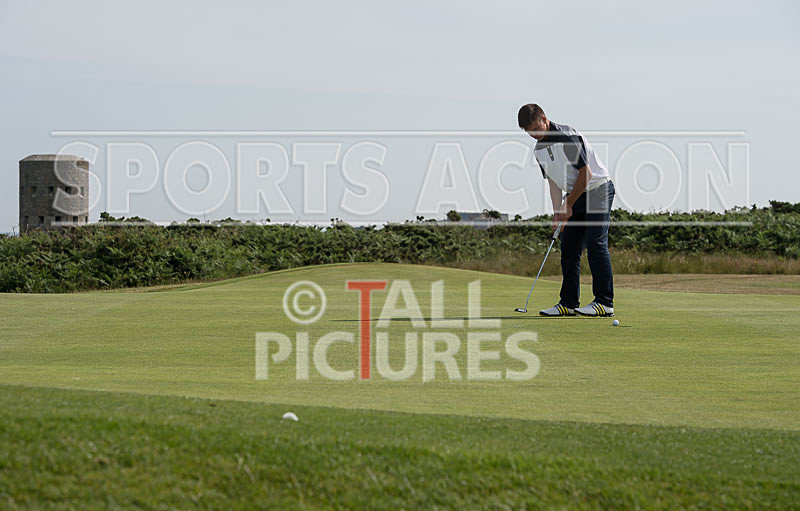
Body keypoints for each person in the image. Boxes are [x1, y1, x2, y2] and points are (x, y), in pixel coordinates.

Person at [518, 103, 616, 317]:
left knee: (595, 243)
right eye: (529, 132)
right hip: (575, 194)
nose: (534, 135)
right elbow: (553, 181)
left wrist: (568, 204)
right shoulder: (538, 150)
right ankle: (568, 303)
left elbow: (586, 173)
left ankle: (604, 302)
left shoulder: (566, 137)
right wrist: (557, 213)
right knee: (569, 248)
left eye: (536, 128)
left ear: (544, 119)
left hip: (597, 190)